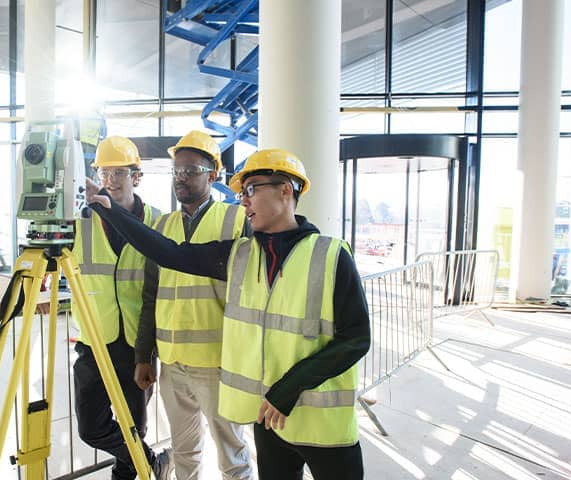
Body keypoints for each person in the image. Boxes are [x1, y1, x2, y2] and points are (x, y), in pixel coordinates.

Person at [85, 148, 371, 480]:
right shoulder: (241, 256)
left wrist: (290, 387)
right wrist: (110, 212)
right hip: (269, 419)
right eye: (241, 193)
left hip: (323, 426)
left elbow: (356, 338)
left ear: (285, 189)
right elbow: (168, 253)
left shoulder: (330, 255)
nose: (244, 201)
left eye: (251, 189)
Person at [135, 131, 254, 480]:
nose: (181, 178)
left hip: (218, 364)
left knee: (232, 455)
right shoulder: (162, 226)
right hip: (172, 364)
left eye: (190, 171)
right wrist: (145, 355)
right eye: (176, 171)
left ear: (212, 175)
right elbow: (150, 295)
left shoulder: (235, 221)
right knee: (185, 453)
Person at [69, 135, 174, 480]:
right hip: (93, 341)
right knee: (91, 428)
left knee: (133, 427)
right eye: (105, 172)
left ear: (136, 176)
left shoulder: (158, 221)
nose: (110, 180)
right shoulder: (80, 221)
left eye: (119, 173)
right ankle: (151, 462)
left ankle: (133, 472)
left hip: (137, 343)